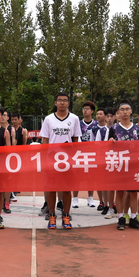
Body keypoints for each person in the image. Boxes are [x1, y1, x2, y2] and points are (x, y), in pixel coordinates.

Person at [40, 92, 82, 229]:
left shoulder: (74, 119)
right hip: (52, 159)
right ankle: (52, 216)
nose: (62, 103)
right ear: (55, 103)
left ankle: (66, 215)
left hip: (68, 160)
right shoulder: (48, 119)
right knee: (52, 189)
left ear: (68, 103)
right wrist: (45, 159)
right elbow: (45, 140)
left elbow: (76, 140)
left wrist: (74, 157)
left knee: (66, 189)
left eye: (65, 100)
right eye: (60, 100)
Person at [110, 101, 139, 230]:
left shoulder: (137, 129)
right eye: (122, 109)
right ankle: (121, 218)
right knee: (119, 191)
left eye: (127, 109)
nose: (124, 111)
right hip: (119, 165)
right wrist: (110, 142)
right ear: (118, 112)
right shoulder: (113, 129)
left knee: (133, 193)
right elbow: (108, 148)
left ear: (131, 111)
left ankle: (133, 218)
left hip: (133, 165)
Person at [73, 101, 98, 209]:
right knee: (77, 177)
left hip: (92, 153)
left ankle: (90, 197)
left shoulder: (96, 124)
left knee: (91, 177)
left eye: (87, 109)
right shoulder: (78, 124)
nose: (85, 111)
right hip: (79, 153)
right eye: (84, 109)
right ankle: (75, 198)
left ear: (92, 111)